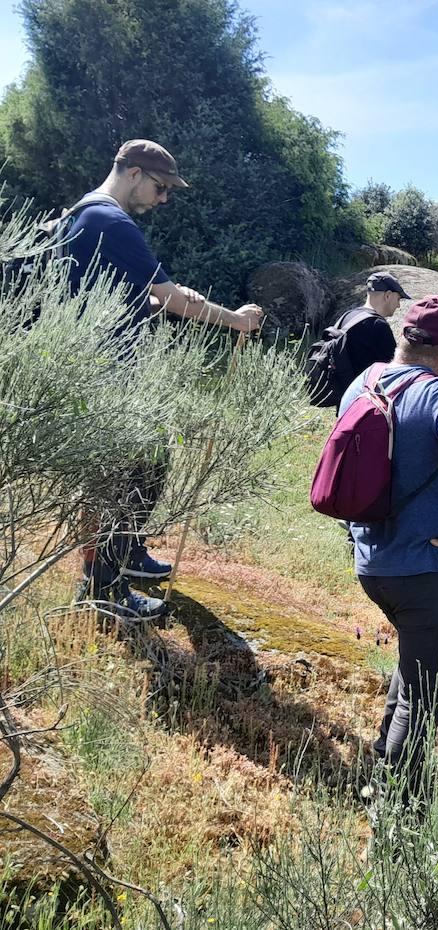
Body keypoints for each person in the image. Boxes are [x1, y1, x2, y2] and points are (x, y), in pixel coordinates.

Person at [68, 139, 264, 620]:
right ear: (133, 172)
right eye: (160, 187)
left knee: (144, 466)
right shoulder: (109, 220)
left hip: (106, 372)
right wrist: (236, 321)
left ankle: (126, 556)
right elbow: (173, 298)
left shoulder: (84, 214)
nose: (163, 199)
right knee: (117, 483)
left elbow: (115, 294)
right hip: (107, 376)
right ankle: (104, 590)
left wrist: (155, 301)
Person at [341, 294, 438, 800]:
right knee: (425, 692)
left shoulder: (361, 385)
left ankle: (380, 777)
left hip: (374, 563)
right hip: (427, 572)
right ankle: (400, 810)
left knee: (414, 665)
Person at [334, 270, 409, 378]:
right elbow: (392, 371)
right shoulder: (379, 326)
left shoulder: (347, 316)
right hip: (361, 392)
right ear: (387, 296)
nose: (398, 306)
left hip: (338, 390)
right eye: (398, 299)